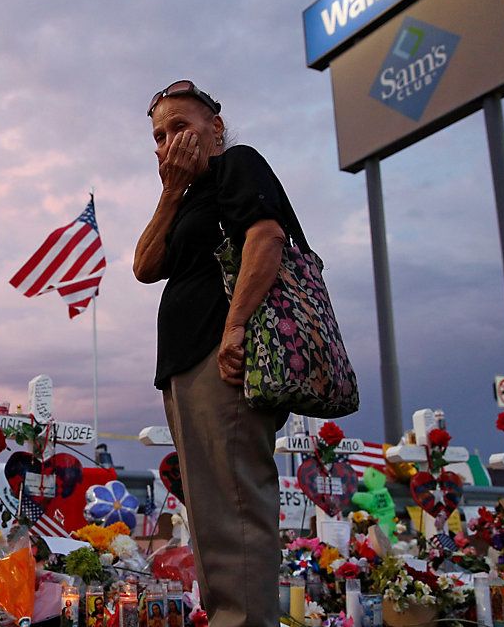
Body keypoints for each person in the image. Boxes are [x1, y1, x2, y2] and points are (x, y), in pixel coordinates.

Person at [134, 80, 308, 627]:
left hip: (221, 357)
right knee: (210, 512)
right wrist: (170, 191)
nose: (169, 142)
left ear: (217, 126)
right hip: (185, 366)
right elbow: (144, 265)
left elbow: (266, 238)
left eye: (181, 126)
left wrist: (234, 331)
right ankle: (229, 615)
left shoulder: (239, 165)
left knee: (234, 506)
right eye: (160, 136)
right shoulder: (186, 199)